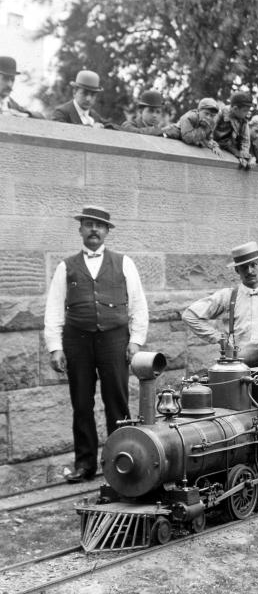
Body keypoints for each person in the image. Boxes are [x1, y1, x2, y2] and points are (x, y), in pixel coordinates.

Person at [44, 206, 149, 483]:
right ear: (80, 229)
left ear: (106, 231)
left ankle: (122, 461)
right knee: (81, 403)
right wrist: (55, 346)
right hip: (77, 341)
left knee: (117, 400)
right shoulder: (66, 266)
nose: (94, 230)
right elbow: (54, 308)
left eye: (99, 226)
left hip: (115, 340)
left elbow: (138, 304)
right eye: (88, 224)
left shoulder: (124, 263)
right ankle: (85, 464)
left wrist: (136, 341)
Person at [182, 241, 258, 367]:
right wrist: (219, 338)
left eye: (253, 265)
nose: (249, 271)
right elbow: (189, 315)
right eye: (244, 267)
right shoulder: (227, 296)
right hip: (237, 366)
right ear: (237, 270)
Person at [213, 90, 253, 167]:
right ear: (235, 108)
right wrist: (214, 145)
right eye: (245, 111)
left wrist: (244, 154)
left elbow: (245, 140)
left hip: (232, 147)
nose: (247, 113)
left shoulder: (244, 121)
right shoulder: (221, 113)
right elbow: (210, 129)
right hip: (218, 143)